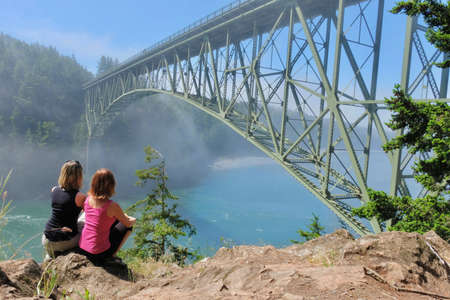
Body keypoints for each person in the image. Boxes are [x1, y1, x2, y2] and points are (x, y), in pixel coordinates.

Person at [78, 168, 136, 264]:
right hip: (98, 254)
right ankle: (112, 255)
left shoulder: (87, 200)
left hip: (83, 249)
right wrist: (133, 219)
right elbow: (127, 223)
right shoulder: (111, 205)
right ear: (111, 185)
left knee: (112, 221)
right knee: (128, 227)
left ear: (94, 183)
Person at [42, 160, 86, 259]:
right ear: (78, 177)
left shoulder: (54, 190)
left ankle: (50, 256)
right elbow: (92, 215)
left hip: (46, 239)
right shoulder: (80, 197)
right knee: (86, 219)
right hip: (65, 241)